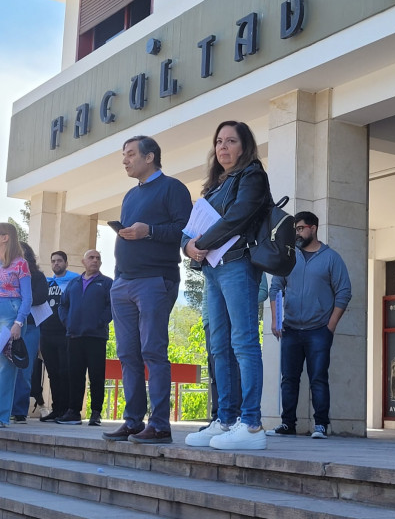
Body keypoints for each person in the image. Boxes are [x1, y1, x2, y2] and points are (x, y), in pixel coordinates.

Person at [183, 121, 271, 450]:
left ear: (244, 146)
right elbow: (189, 229)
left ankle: (251, 426)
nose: (223, 147)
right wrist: (188, 247)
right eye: (219, 141)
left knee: (244, 343)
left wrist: (200, 241)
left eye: (231, 141)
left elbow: (238, 217)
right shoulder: (213, 187)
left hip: (238, 265)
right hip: (213, 269)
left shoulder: (252, 176)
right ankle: (225, 419)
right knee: (218, 346)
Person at [102, 135, 192, 444]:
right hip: (124, 283)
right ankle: (132, 422)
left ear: (149, 156)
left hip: (155, 281)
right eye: (123, 155)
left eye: (130, 154)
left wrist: (148, 231)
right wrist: (118, 276)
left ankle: (160, 425)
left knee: (153, 350)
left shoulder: (173, 188)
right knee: (128, 354)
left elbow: (185, 231)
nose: (125, 160)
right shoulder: (129, 195)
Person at [267, 211, 352, 439]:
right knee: (289, 379)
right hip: (291, 329)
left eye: (301, 228)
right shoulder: (289, 256)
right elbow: (275, 288)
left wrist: (330, 327)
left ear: (313, 228)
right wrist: (276, 320)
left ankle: (321, 425)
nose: (297, 233)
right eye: (295, 229)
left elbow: (344, 292)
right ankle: (287, 424)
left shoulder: (331, 258)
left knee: (318, 378)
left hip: (318, 331)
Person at [201, 272, 268, 428]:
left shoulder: (247, 255)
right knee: (217, 368)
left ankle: (248, 421)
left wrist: (235, 299)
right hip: (212, 320)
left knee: (241, 361)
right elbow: (208, 293)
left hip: (238, 313)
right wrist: (207, 320)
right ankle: (222, 418)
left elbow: (263, 290)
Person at [57, 250, 112, 426]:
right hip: (74, 336)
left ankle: (96, 413)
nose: (95, 260)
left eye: (98, 258)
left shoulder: (107, 283)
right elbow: (62, 306)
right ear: (83, 261)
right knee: (75, 375)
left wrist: (100, 321)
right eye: (91, 258)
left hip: (96, 336)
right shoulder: (73, 283)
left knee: (97, 376)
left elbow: (112, 306)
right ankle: (73, 412)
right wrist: (67, 322)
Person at [0, 223, 32, 427]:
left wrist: (19, 322)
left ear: (6, 237)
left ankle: (0, 416)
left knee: (6, 365)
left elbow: (28, 298)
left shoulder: (20, 264)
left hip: (10, 311)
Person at [11, 242, 49, 424]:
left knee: (25, 370)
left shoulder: (38, 276)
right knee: (4, 368)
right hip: (7, 324)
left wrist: (21, 299)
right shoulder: (5, 272)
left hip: (31, 325)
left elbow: (41, 296)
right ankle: (2, 408)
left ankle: (19, 411)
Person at [40, 251, 78, 422]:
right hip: (46, 333)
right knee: (53, 373)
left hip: (65, 333)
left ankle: (67, 409)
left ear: (66, 263)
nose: (56, 264)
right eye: (53, 261)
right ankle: (56, 409)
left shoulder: (74, 281)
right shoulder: (47, 283)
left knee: (65, 371)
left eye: (59, 261)